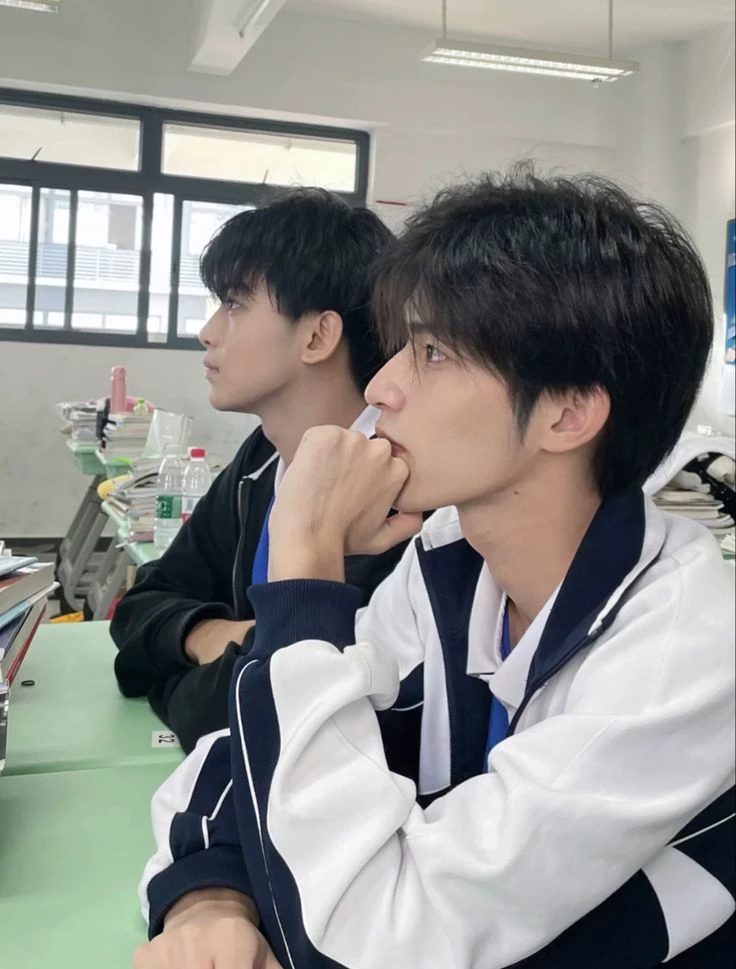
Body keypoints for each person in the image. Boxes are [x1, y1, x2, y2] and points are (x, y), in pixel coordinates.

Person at [134, 168, 735, 969]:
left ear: (567, 412)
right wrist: (211, 897)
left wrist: (306, 569)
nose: (382, 384)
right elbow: (239, 754)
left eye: (432, 352)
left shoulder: (678, 652)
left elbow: (371, 941)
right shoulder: (450, 562)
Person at [111, 188, 408, 753]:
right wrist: (210, 635)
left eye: (234, 304)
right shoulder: (264, 456)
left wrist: (177, 674)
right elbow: (140, 606)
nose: (208, 331)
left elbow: (239, 714)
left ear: (317, 336)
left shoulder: (397, 497)